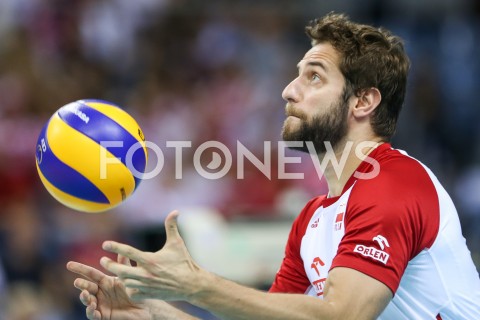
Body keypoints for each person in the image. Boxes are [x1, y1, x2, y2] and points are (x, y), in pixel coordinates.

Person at [67, 12, 480, 320]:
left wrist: (198, 285)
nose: (288, 90)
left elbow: (343, 314)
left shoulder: (395, 183)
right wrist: (153, 313)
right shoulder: (312, 219)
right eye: (297, 75)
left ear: (362, 102)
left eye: (314, 77)